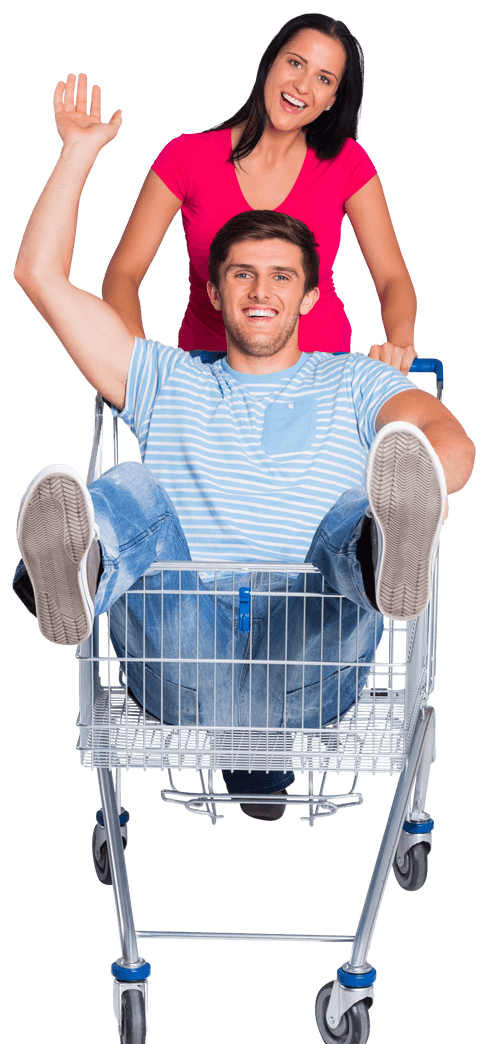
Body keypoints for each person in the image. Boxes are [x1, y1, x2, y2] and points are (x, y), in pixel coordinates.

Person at [12, 75, 475, 823]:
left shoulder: (354, 381)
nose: (262, 291)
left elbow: (447, 438)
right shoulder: (161, 374)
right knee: (132, 488)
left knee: (359, 506)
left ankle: (383, 552)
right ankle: (82, 565)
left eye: (282, 277)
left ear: (312, 297)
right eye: (242, 275)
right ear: (214, 293)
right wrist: (78, 152)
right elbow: (38, 276)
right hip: (184, 656)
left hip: (310, 652)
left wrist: (426, 484)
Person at [101, 13, 418, 372]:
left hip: (320, 374)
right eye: (295, 63)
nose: (302, 85)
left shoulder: (347, 163)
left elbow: (393, 277)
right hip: (208, 378)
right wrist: (138, 362)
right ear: (269, 63)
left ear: (332, 98)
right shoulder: (186, 157)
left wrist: (401, 343)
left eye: (323, 79)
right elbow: (123, 272)